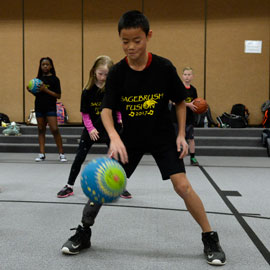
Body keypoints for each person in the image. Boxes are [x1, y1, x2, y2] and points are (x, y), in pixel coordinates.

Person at [61, 10, 226, 266]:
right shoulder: (117, 72)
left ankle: (210, 237)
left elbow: (180, 103)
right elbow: (106, 110)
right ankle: (83, 232)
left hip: (162, 137)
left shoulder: (163, 67)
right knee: (102, 184)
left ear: (148, 36)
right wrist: (114, 137)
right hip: (131, 139)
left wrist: (181, 134)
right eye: (125, 41)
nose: (130, 47)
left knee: (182, 186)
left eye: (136, 40)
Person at [57, 55, 131, 199]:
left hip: (110, 128)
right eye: (100, 74)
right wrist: (90, 129)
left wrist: (120, 121)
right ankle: (69, 185)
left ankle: (120, 186)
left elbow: (117, 109)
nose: (103, 77)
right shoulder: (87, 91)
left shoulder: (112, 89)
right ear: (94, 72)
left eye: (106, 74)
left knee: (117, 158)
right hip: (92, 128)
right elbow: (84, 113)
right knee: (79, 157)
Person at [27, 57, 67, 162]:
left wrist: (45, 89)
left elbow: (58, 95)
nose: (45, 66)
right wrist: (31, 90)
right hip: (39, 107)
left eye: (47, 64)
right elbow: (37, 94)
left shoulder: (55, 79)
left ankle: (62, 154)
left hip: (50, 107)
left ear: (51, 66)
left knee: (54, 129)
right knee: (41, 130)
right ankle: (42, 154)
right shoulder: (37, 79)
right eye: (43, 64)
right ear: (40, 67)